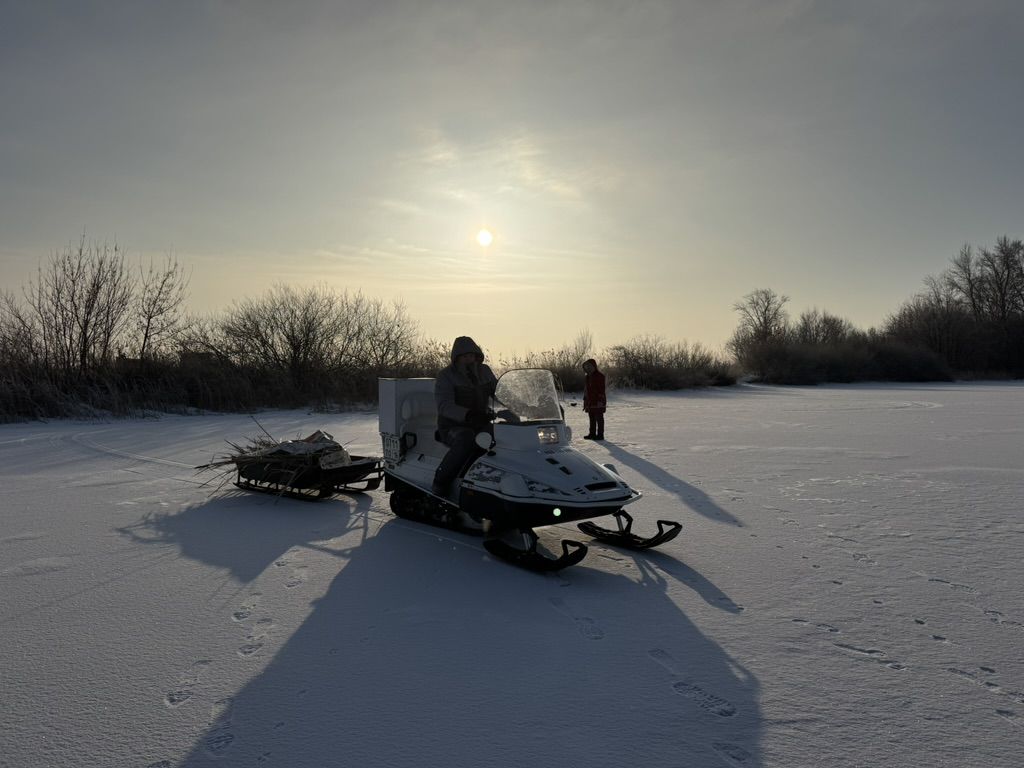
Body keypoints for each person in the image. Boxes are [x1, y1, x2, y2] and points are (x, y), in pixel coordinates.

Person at [432, 336, 498, 496]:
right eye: (465, 356)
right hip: (453, 426)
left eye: (473, 355)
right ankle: (440, 483)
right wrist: (468, 415)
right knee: (466, 440)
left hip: (481, 422)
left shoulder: (485, 372)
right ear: (457, 358)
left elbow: (500, 393)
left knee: (505, 436)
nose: (470, 360)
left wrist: (526, 404)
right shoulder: (446, 376)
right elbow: (444, 406)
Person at [582, 358, 606, 440]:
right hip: (590, 400)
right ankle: (592, 434)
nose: (588, 368)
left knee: (599, 417)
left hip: (598, 399)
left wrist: (600, 399)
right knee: (591, 417)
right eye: (587, 366)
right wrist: (585, 399)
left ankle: (600, 435)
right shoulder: (587, 377)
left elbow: (601, 389)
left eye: (590, 366)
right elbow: (586, 389)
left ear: (594, 366)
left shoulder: (600, 376)